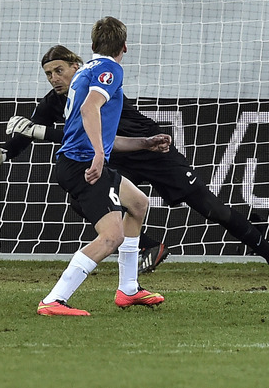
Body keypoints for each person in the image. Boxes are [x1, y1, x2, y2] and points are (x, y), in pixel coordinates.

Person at [0, 43, 269, 276]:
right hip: (116, 157)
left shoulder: (97, 86)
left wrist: (38, 132)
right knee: (83, 197)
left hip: (148, 151)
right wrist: (6, 151)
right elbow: (29, 130)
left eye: (59, 70)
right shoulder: (54, 101)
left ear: (76, 66)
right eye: (49, 74)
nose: (54, 78)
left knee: (211, 208)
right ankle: (148, 246)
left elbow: (78, 133)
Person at [29, 19, 166, 316]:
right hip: (81, 164)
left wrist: (145, 142)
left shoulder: (84, 73)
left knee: (139, 203)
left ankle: (129, 289)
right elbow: (89, 110)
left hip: (78, 159)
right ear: (125, 47)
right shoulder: (110, 70)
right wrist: (99, 156)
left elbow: (100, 131)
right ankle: (54, 299)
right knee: (111, 237)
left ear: (92, 46)